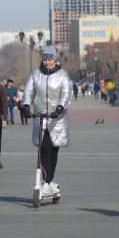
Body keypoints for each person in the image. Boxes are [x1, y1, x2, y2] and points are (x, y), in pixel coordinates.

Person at [22, 45, 72, 196]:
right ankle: (46, 182)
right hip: (41, 117)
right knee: (44, 149)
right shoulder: (35, 75)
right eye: (45, 59)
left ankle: (49, 181)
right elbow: (28, 91)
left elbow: (66, 94)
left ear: (55, 60)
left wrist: (60, 108)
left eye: (50, 59)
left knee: (53, 150)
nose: (47, 62)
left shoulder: (63, 75)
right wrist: (25, 105)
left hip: (57, 119)